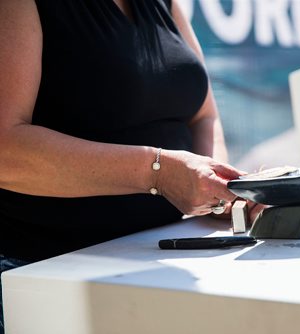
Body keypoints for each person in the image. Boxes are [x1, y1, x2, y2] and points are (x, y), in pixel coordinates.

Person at [0, 0, 262, 331]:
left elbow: (203, 115)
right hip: (44, 279)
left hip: (160, 265)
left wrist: (221, 189)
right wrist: (158, 172)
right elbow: (5, 152)